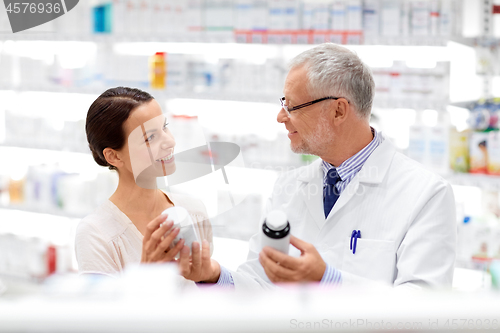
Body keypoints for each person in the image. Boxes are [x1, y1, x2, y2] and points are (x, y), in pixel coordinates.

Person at [183, 43, 457, 290]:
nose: (281, 117)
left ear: (338, 110)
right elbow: (260, 282)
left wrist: (328, 280)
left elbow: (424, 306)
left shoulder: (426, 194)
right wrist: (214, 275)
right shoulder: (288, 187)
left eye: (292, 106)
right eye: (283, 104)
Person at [75, 87, 215, 281]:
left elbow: (209, 297)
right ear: (114, 156)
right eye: (150, 137)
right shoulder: (96, 233)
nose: (169, 142)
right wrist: (145, 276)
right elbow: (103, 311)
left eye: (164, 127)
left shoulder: (194, 211)